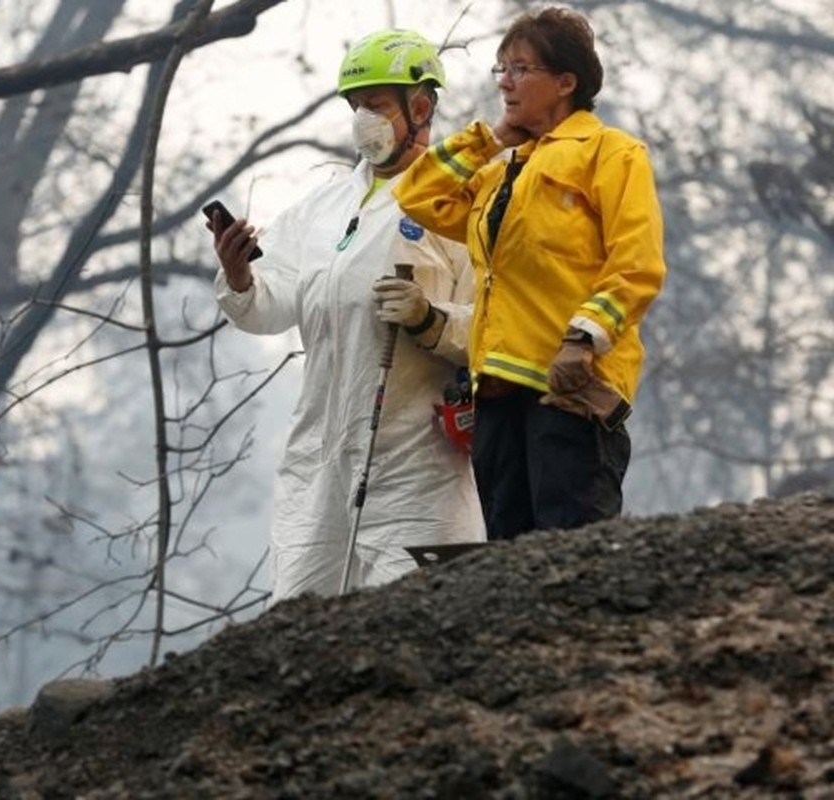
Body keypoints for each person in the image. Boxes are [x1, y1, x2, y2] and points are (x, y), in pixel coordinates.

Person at [209, 29, 486, 601]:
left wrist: (430, 319)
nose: (363, 119)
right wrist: (241, 278)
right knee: (296, 628)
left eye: (377, 106)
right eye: (356, 106)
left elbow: (497, 324)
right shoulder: (324, 205)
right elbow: (271, 303)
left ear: (422, 106)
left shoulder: (462, 201)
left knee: (419, 624)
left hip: (417, 466)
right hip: (321, 461)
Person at [393, 7, 667, 541]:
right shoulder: (501, 171)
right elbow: (418, 194)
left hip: (570, 389)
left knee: (568, 549)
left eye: (520, 69)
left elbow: (636, 263)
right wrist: (490, 138)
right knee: (508, 557)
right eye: (501, 69)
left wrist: (583, 337)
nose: (506, 83)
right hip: (497, 392)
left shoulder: (609, 153)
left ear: (566, 81)